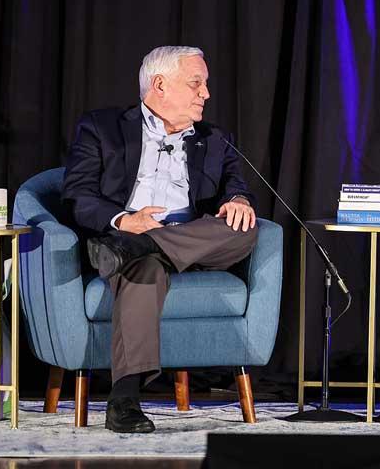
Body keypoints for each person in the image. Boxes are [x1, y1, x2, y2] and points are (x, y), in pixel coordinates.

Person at [62, 46, 257, 434]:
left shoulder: (215, 138)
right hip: (128, 236)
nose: (206, 94)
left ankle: (139, 247)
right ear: (160, 85)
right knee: (145, 269)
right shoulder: (103, 128)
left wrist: (239, 200)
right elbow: (77, 196)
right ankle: (124, 400)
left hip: (193, 245)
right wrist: (124, 222)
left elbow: (235, 183)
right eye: (196, 83)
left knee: (246, 228)